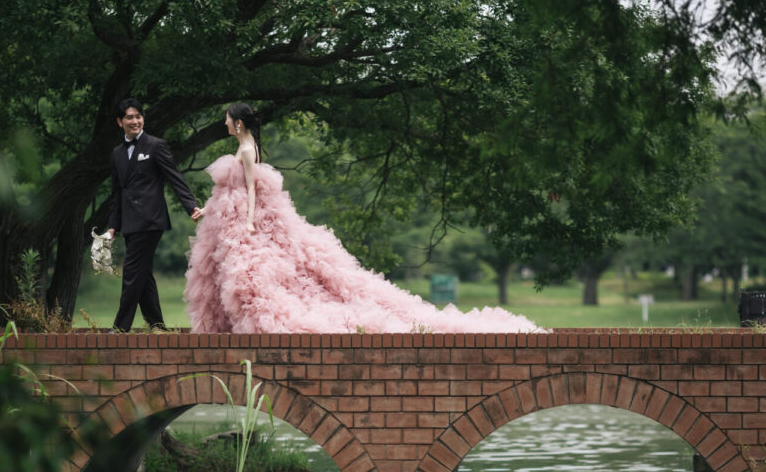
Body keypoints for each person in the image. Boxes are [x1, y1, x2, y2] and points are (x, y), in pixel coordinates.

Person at [184, 102, 542, 334]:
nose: (225, 125)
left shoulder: (247, 148)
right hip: (231, 214)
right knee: (240, 272)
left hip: (245, 215)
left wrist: (248, 222)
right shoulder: (246, 145)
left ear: (239, 122)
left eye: (228, 121)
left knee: (257, 273)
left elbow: (250, 188)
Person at [107, 97, 203, 332]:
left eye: (138, 116)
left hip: (150, 219)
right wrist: (112, 226)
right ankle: (157, 325)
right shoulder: (117, 153)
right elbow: (117, 192)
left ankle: (120, 327)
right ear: (120, 122)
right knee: (142, 274)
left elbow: (174, 176)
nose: (135, 121)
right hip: (130, 222)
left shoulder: (155, 145)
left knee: (131, 272)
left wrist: (191, 205)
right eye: (129, 117)